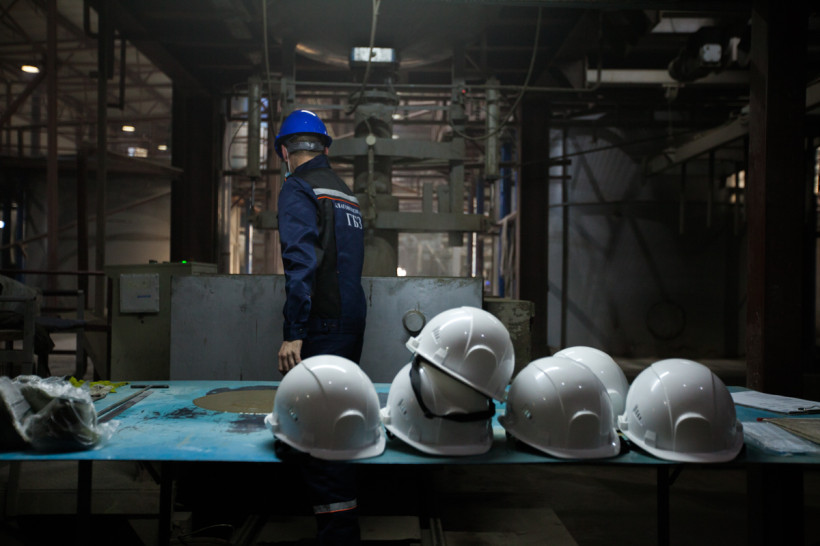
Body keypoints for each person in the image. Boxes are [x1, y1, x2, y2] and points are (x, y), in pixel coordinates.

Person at [273, 109, 367, 545]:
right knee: (335, 420)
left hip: (321, 323)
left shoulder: (298, 188)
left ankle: (339, 534)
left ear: (284, 152)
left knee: (319, 429)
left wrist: (294, 330)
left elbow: (301, 263)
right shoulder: (345, 192)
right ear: (324, 148)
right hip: (351, 320)